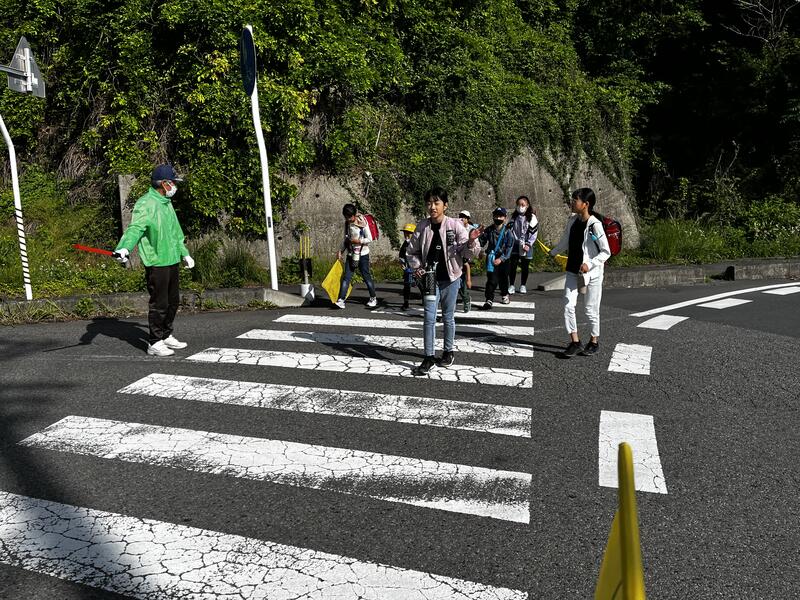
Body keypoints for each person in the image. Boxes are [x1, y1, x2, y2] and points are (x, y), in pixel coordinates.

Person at [114, 164, 195, 357]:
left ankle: (166, 335)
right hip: (157, 261)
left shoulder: (166, 203)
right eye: (173, 182)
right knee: (160, 303)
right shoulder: (146, 203)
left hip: (172, 258)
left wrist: (184, 253)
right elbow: (135, 228)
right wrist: (124, 247)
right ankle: (154, 342)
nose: (175, 186)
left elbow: (176, 233)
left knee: (173, 301)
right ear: (164, 183)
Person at [405, 187, 481, 375]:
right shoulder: (422, 226)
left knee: (448, 316)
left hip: (451, 278)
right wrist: (417, 267)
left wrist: (471, 241)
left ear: (445, 205)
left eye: (436, 203)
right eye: (429, 203)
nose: (432, 207)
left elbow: (469, 252)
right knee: (429, 318)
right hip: (430, 279)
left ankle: (448, 351)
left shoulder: (455, 225)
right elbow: (411, 252)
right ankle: (429, 357)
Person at [549, 187, 611, 357]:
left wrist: (589, 264)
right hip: (572, 270)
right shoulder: (572, 221)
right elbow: (565, 241)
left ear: (585, 204)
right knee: (568, 305)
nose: (572, 202)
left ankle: (594, 341)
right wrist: (553, 252)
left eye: (575, 200)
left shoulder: (595, 225)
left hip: (592, 273)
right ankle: (575, 342)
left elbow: (606, 252)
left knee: (591, 309)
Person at [336, 203, 377, 309]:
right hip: (351, 254)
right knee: (346, 278)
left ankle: (373, 298)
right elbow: (346, 239)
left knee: (366, 277)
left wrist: (358, 241)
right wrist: (341, 250)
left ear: (354, 215)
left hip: (363, 254)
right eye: (346, 217)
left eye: (349, 217)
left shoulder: (362, 222)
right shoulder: (347, 223)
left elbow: (369, 238)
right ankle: (341, 300)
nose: (348, 219)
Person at [478, 206, 514, 310]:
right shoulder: (489, 230)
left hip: (504, 259)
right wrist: (479, 248)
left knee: (503, 278)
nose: (498, 218)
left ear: (505, 218)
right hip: (491, 257)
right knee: (491, 279)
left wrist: (501, 259)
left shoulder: (508, 232)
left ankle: (504, 294)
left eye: (500, 216)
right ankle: (489, 299)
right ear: (493, 216)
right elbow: (481, 242)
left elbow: (509, 247)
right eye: (496, 216)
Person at [507, 195, 539, 295]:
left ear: (527, 205)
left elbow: (534, 233)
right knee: (513, 265)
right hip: (515, 244)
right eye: (518, 204)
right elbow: (509, 229)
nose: (520, 206)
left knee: (525, 266)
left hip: (526, 244)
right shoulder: (514, 217)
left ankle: (523, 285)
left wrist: (528, 244)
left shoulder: (532, 218)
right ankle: (511, 285)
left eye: (522, 204)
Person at [458, 210, 477, 313]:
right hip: (457, 257)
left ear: (468, 219)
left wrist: (469, 279)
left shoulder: (471, 229)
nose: (462, 219)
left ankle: (466, 299)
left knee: (462, 284)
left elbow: (476, 246)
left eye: (464, 217)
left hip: (466, 258)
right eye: (460, 216)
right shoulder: (456, 227)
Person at [398, 223, 416, 310]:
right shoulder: (405, 243)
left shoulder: (417, 243)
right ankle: (406, 302)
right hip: (408, 268)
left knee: (421, 285)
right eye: (405, 232)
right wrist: (402, 263)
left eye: (409, 233)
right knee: (407, 285)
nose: (406, 235)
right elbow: (401, 254)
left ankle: (425, 300)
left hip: (417, 267)